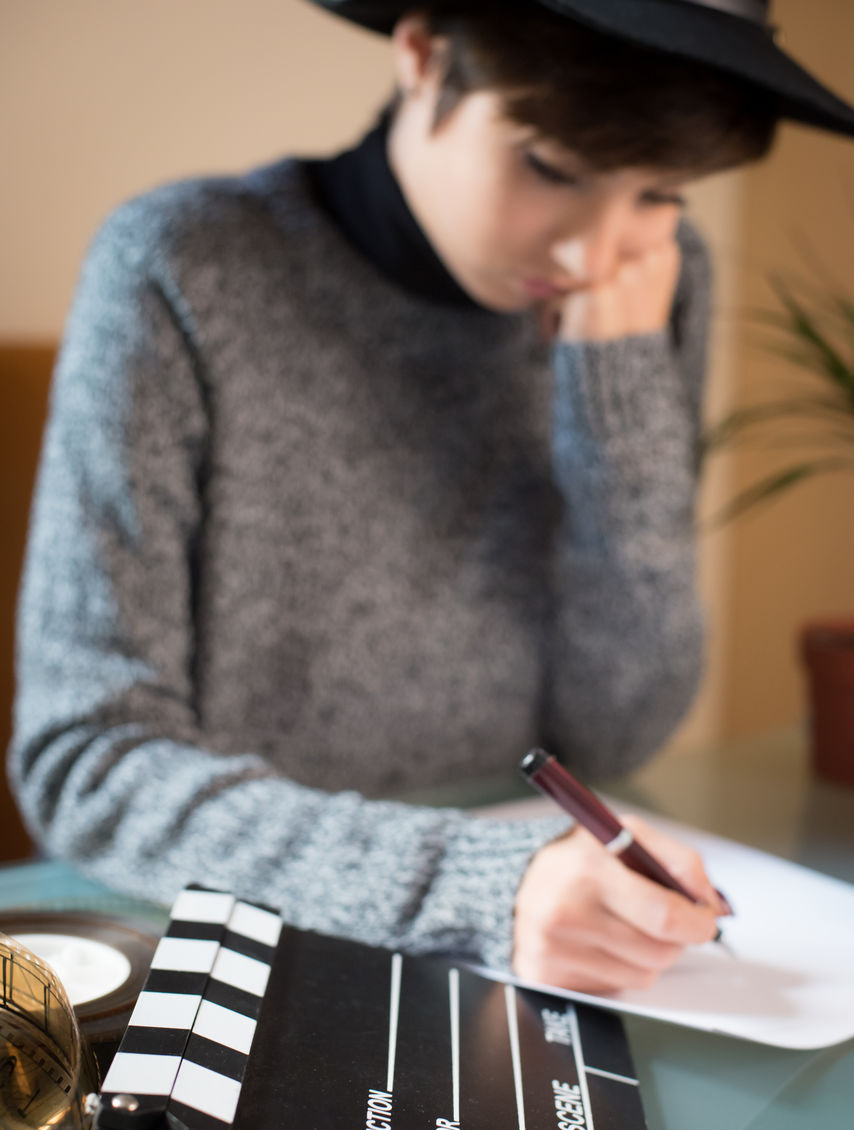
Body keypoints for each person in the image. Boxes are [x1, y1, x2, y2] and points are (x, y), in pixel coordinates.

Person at [9, 1, 854, 994]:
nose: (593, 254)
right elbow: (90, 764)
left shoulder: (649, 283)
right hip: (240, 933)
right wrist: (474, 887)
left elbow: (620, 732)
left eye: (660, 193)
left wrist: (614, 387)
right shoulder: (183, 265)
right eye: (551, 167)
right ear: (422, 54)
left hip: (544, 944)